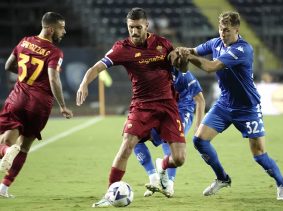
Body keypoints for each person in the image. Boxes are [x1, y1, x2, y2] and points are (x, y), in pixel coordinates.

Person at [76, 8, 186, 207]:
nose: (134, 31)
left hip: (168, 105)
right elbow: (97, 67)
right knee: (127, 146)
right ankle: (110, 194)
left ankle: (162, 165)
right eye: (130, 27)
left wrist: (181, 58)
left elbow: (180, 65)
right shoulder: (122, 48)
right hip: (142, 105)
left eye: (137, 27)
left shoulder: (163, 44)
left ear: (146, 26)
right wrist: (84, 83)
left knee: (179, 158)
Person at [176, 11, 283, 200]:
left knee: (259, 154)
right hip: (225, 104)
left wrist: (188, 58)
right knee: (199, 141)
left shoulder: (243, 49)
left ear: (237, 29)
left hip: (248, 108)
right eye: (221, 29)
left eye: (227, 30)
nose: (223, 33)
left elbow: (211, 66)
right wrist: (182, 50)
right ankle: (222, 178)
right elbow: (195, 50)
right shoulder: (215, 43)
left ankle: (282, 184)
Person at [0, 12, 73, 198]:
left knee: (5, 140)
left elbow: (8, 66)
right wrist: (63, 106)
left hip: (18, 97)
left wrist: (25, 74)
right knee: (24, 147)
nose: (64, 31)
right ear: (50, 29)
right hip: (39, 106)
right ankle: (4, 188)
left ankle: (7, 151)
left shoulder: (24, 42)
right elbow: (53, 78)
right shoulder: (55, 52)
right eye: (61, 27)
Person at [134, 67, 205, 198]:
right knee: (134, 135)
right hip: (162, 109)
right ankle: (154, 177)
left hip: (182, 111)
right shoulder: (153, 71)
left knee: (171, 143)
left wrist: (198, 126)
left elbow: (200, 99)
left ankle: (169, 183)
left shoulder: (185, 75)